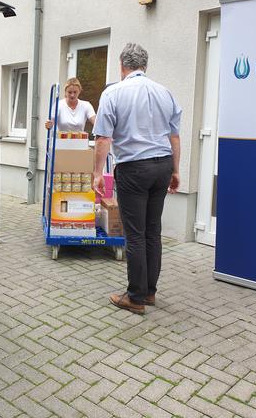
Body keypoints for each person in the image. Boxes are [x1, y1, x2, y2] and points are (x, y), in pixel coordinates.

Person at [92, 43, 182, 315]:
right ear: (145, 65)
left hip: (133, 168)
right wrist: (175, 170)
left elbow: (103, 138)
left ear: (122, 65)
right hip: (162, 165)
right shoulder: (165, 92)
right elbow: (174, 136)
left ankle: (135, 297)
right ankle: (150, 292)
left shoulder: (113, 93)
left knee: (135, 234)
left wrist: (97, 173)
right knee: (153, 231)